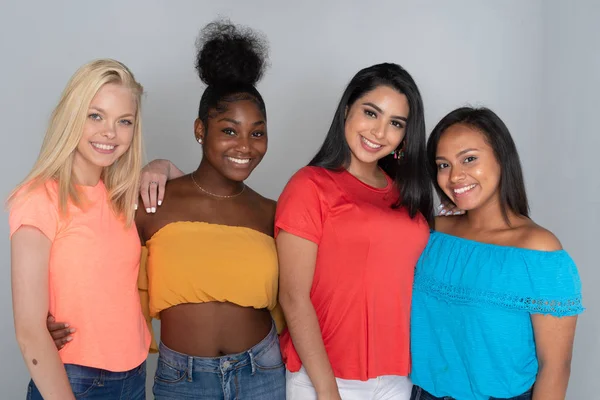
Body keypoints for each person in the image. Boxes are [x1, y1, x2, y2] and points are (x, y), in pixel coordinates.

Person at [141, 20, 285, 399]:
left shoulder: (273, 213)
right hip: (182, 379)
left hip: (263, 372)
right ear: (200, 129)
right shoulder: (156, 201)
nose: (245, 146)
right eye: (229, 130)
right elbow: (103, 268)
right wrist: (59, 318)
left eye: (257, 132)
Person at [274, 63, 431, 400]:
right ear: (347, 110)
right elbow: (292, 296)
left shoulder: (408, 195)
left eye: (395, 124)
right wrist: (327, 390)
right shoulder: (310, 185)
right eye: (371, 113)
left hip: (396, 376)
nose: (379, 132)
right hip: (323, 377)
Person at [409, 107, 584, 400]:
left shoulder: (539, 251)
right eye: (443, 165)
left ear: (502, 158)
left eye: (469, 159)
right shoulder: (431, 233)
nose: (455, 176)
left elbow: (555, 367)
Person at [8, 59, 150, 400]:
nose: (110, 133)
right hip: (77, 381)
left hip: (133, 373)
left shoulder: (119, 198)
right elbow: (29, 331)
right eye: (95, 115)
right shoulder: (38, 197)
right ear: (72, 116)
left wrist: (162, 167)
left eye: (124, 121)